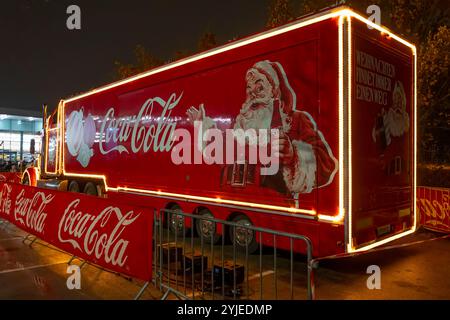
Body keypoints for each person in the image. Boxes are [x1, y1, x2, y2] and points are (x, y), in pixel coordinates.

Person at [187, 60, 338, 195]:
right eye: (249, 87)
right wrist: (201, 125)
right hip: (234, 198)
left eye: (259, 86)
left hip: (275, 207)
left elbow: (325, 165)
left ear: (274, 90)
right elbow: (218, 152)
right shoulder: (241, 125)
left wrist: (293, 156)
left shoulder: (296, 120)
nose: (252, 92)